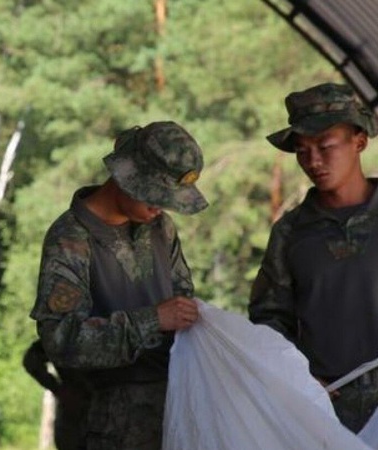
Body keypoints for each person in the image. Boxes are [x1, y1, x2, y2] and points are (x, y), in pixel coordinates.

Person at [30, 121, 207, 450]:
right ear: (126, 177)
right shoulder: (71, 239)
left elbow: (183, 305)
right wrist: (152, 320)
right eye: (154, 197)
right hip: (106, 423)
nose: (160, 208)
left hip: (174, 414)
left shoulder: (160, 228)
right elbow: (61, 340)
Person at [249, 82, 378, 433]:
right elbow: (268, 320)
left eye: (325, 146)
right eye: (303, 151)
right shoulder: (291, 233)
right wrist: (298, 378)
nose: (313, 161)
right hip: (327, 414)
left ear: (359, 140)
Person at [23, 339, 89, 450]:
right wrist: (58, 390)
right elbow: (32, 360)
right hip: (77, 410)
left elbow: (32, 360)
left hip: (80, 409)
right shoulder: (69, 332)